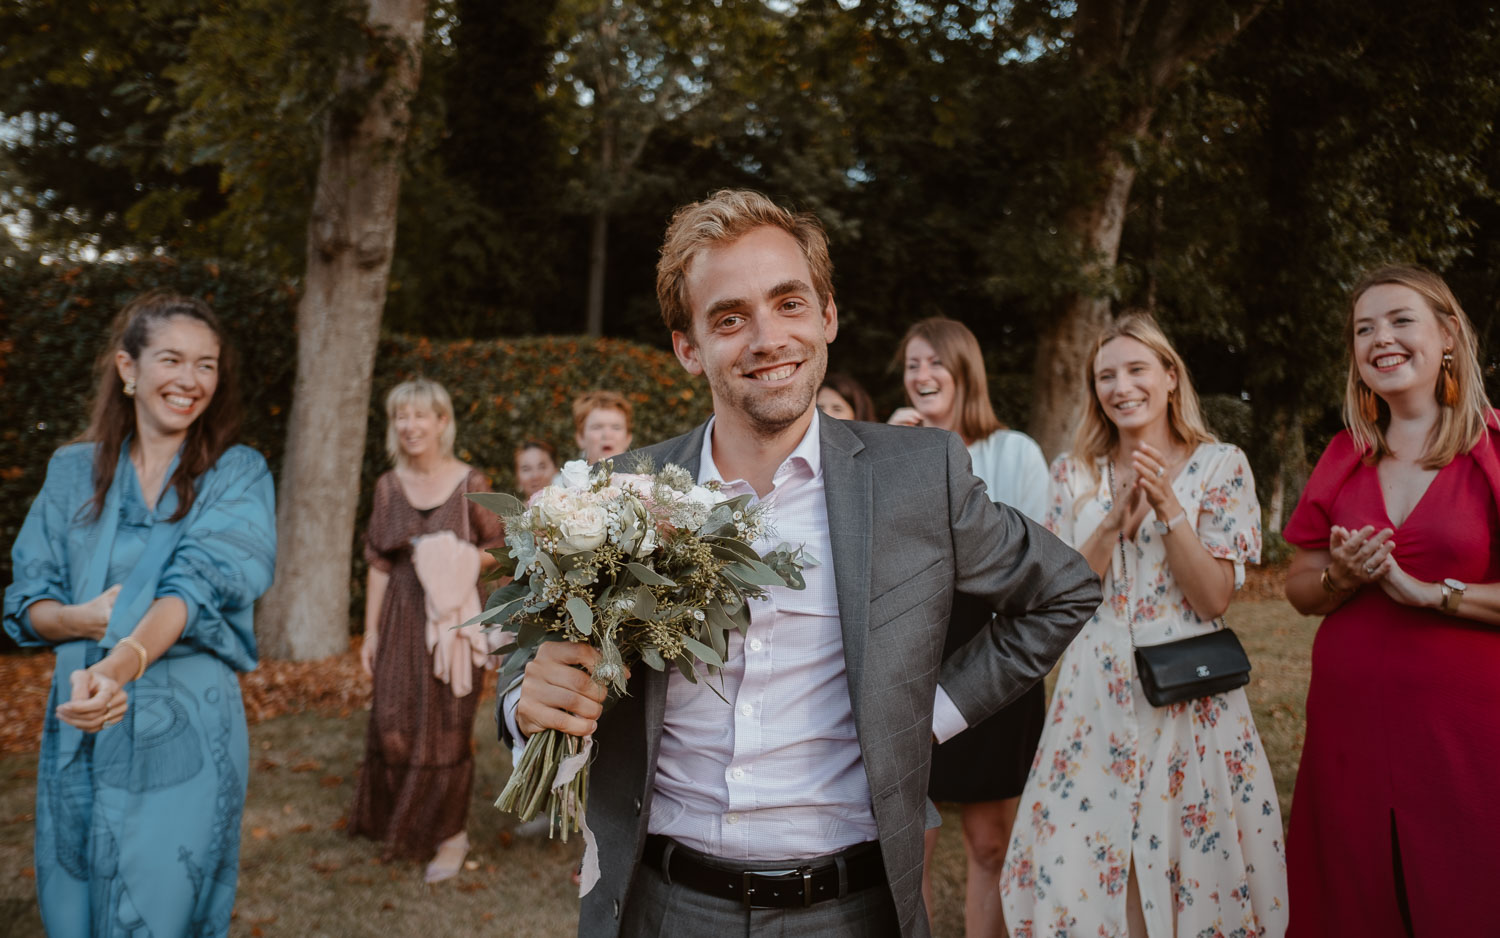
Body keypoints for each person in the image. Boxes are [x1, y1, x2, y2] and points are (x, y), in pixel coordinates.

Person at [503, 188, 1101, 938]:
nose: (766, 338)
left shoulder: (920, 477)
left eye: (789, 303)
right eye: (729, 318)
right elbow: (530, 661)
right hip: (661, 907)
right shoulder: (620, 491)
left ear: (827, 315)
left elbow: (1063, 590)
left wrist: (930, 716)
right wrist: (525, 705)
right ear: (689, 348)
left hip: (852, 910)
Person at [1000, 312, 1287, 938]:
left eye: (1136, 369)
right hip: (1093, 700)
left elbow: (1213, 599)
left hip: (1188, 702)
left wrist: (1168, 508)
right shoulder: (1071, 472)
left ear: (1169, 375)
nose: (1121, 386)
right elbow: (1059, 593)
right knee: (1094, 862)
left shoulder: (1221, 465)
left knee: (1190, 865)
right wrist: (1109, 525)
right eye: (1106, 375)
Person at [4, 291, 277, 937]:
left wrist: (121, 658)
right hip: (79, 706)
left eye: (207, 365)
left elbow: (198, 584)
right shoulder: (71, 472)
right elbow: (26, 599)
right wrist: (77, 622)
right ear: (128, 369)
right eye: (172, 360)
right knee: (75, 894)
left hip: (185, 716)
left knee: (163, 904)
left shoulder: (237, 473)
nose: (190, 380)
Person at [1282, 266, 1500, 937]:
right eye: (1363, 329)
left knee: (1464, 892)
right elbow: (1300, 587)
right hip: (1350, 733)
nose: (1381, 338)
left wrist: (1432, 594)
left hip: (1462, 733)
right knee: (1355, 896)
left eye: (1401, 320)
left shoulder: (1494, 447)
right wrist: (1341, 579)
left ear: (1447, 336)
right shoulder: (1347, 454)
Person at [887, 316, 1049, 937]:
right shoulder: (890, 447)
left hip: (993, 652)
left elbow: (1030, 561)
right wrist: (895, 460)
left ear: (964, 371)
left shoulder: (1015, 452)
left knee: (989, 843)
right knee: (912, 845)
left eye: (935, 363)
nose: (922, 376)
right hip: (912, 658)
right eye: (912, 365)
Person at [350, 378, 504, 882]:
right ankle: (401, 820)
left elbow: (499, 548)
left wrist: (448, 560)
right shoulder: (388, 486)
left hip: (455, 621)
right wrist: (370, 633)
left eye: (421, 416)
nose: (410, 426)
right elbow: (376, 560)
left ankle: (451, 837)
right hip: (399, 615)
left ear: (442, 422)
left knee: (447, 729)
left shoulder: (471, 483)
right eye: (401, 416)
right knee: (392, 722)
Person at [573, 390, 634, 465]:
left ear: (628, 438)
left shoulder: (648, 476)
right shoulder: (565, 476)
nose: (607, 434)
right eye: (597, 427)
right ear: (580, 438)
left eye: (616, 427)